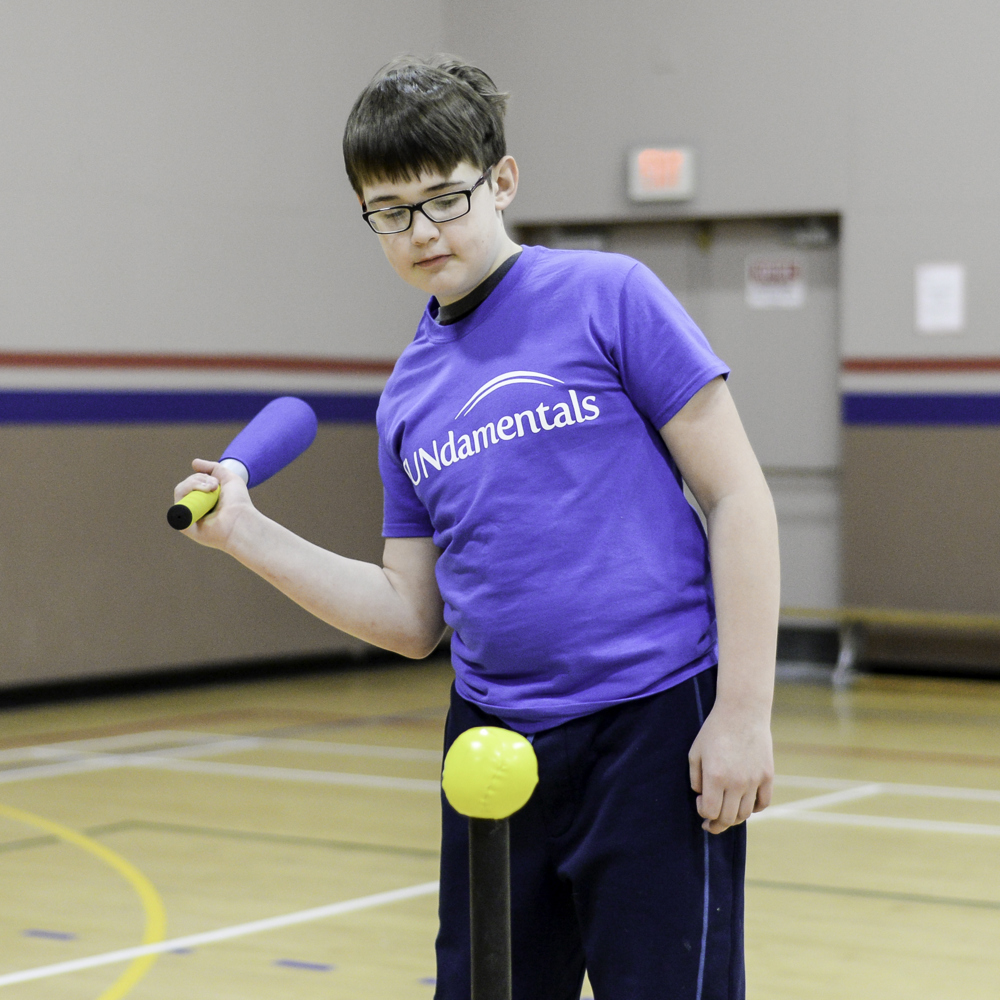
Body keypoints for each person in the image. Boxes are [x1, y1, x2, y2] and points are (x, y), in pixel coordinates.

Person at [174, 54, 779, 1000]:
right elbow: (413, 619)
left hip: (653, 729)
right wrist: (247, 534)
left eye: (444, 198)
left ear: (501, 180)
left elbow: (739, 498)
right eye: (389, 210)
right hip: (492, 746)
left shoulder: (610, 296)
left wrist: (743, 714)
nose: (421, 231)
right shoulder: (408, 397)